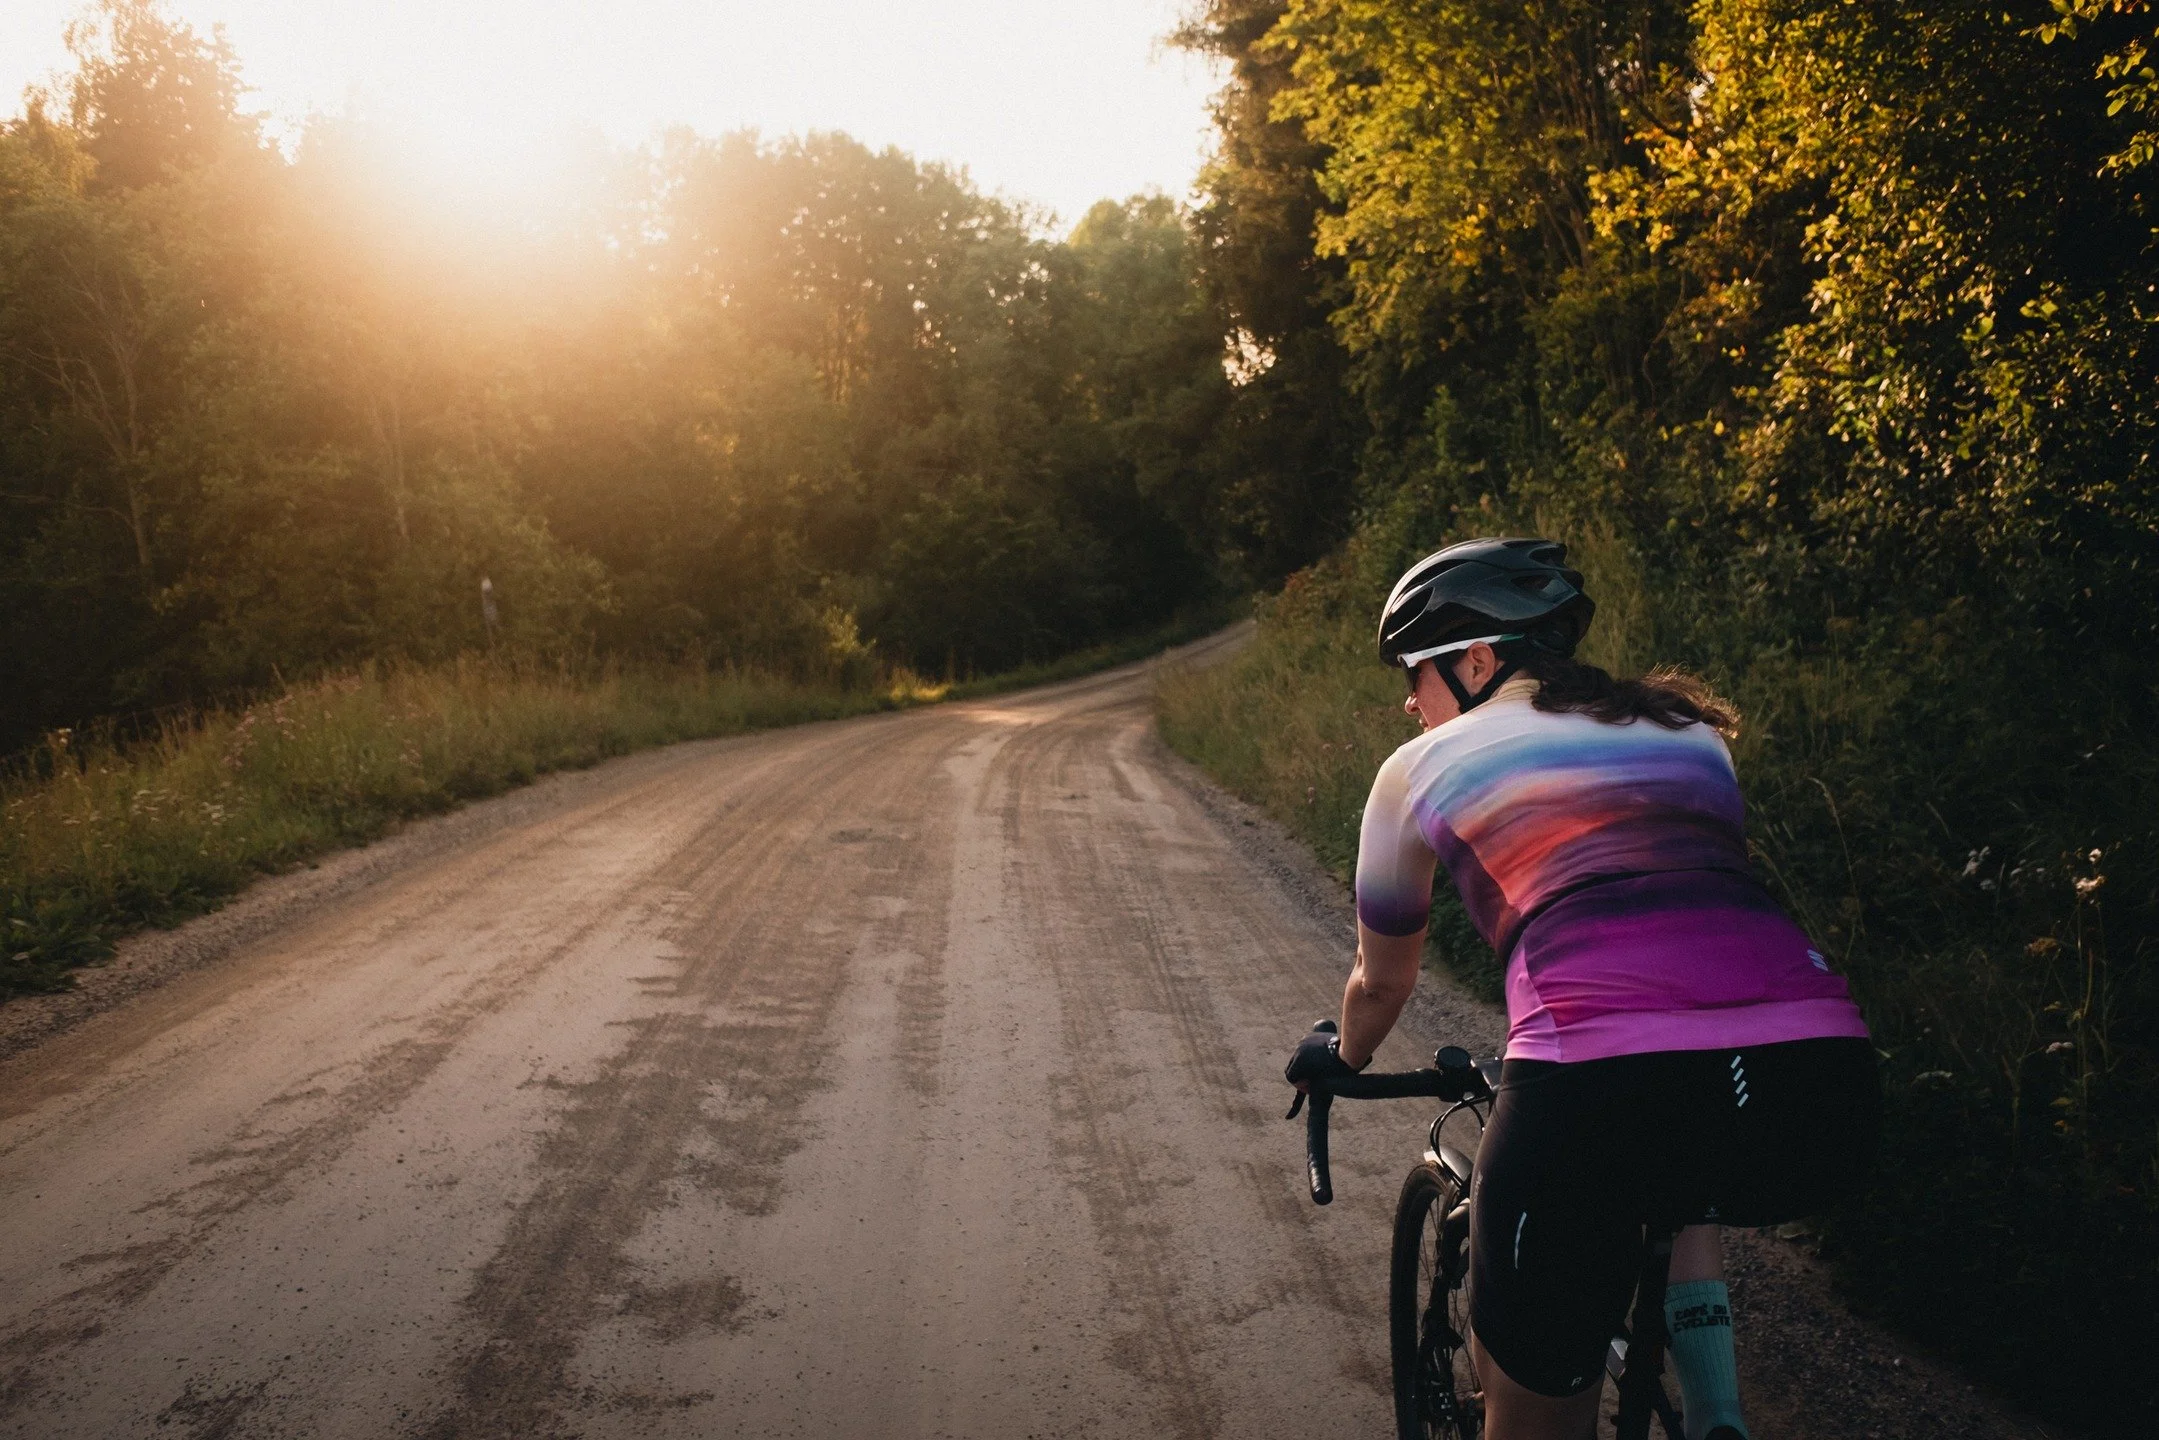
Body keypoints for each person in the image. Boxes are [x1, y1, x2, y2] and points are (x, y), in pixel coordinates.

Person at [1285, 537, 1878, 1440]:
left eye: (1416, 672)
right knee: (1677, 1162)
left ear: (1477, 659)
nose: (1409, 701)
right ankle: (1720, 1418)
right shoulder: (1692, 736)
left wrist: (1339, 1053)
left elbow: (1383, 979)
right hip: (1818, 1083)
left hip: (1594, 1088)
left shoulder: (1415, 770)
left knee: (1531, 1403)